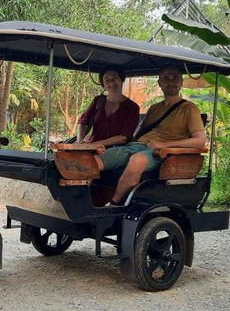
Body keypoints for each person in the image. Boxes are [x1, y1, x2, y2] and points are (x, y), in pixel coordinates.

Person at [95, 65, 205, 206]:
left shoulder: (189, 108)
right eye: (166, 78)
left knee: (137, 160)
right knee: (95, 160)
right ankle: (85, 201)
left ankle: (114, 205)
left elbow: (200, 141)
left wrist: (164, 145)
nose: (171, 81)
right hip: (135, 146)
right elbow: (138, 134)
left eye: (175, 78)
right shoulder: (154, 108)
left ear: (181, 82)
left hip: (161, 153)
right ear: (159, 83)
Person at [76, 67, 140, 148]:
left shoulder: (132, 107)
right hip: (91, 147)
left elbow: (123, 137)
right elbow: (83, 122)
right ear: (103, 85)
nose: (111, 83)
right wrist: (79, 142)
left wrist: (94, 145)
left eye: (115, 78)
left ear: (121, 80)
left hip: (115, 150)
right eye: (107, 80)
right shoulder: (98, 101)